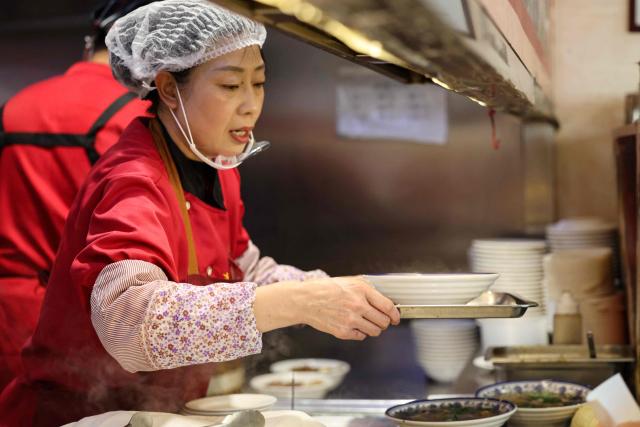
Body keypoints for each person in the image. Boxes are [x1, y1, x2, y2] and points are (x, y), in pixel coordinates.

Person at [0, 1, 400, 425]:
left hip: (161, 413)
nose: (251, 106)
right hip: (78, 416)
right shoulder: (133, 179)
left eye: (259, 83)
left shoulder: (215, 165)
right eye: (231, 86)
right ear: (169, 87)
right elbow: (129, 322)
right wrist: (298, 302)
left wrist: (331, 290)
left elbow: (244, 267)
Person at [0, 0, 153, 391]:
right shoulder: (136, 120)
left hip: (10, 316)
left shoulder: (16, 106)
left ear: (92, 42)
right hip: (83, 325)